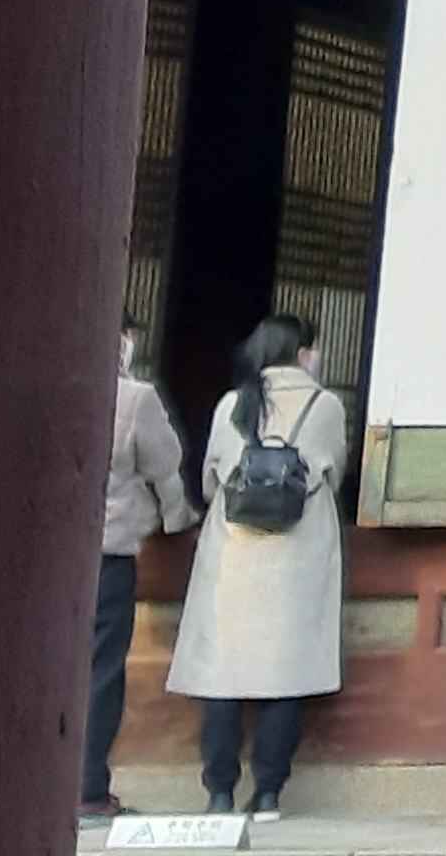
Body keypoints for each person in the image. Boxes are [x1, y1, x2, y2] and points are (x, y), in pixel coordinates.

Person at [166, 316, 351, 817]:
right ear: (302, 353)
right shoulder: (325, 405)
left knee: (222, 676)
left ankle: (218, 793)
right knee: (286, 675)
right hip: (297, 558)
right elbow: (333, 471)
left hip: (233, 556)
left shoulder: (232, 403)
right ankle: (268, 793)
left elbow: (210, 481)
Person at [84, 328, 194, 820]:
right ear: (122, 339)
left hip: (47, 562)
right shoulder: (133, 398)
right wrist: (176, 520)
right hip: (109, 551)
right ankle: (87, 789)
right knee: (100, 671)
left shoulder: (45, 385)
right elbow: (165, 465)